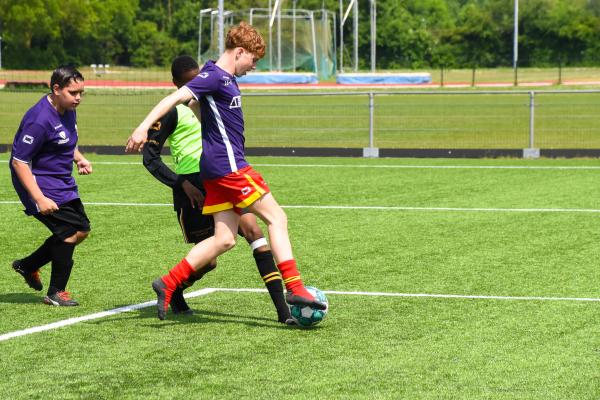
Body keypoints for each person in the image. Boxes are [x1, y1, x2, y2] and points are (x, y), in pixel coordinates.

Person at [126, 22, 325, 320]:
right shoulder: (216, 76)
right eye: (253, 60)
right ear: (240, 51)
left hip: (215, 170)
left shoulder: (220, 76)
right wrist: (143, 127)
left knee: (224, 239)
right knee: (277, 217)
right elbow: (175, 98)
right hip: (229, 167)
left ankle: (167, 283)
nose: (254, 66)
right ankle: (295, 287)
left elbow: (199, 105)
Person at [142, 55, 292, 323]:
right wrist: (181, 183)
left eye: (197, 78)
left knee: (254, 231)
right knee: (210, 259)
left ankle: (284, 312)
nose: (196, 85)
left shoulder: (208, 98)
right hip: (193, 189)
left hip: (221, 177)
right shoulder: (173, 110)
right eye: (189, 82)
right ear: (176, 84)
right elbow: (150, 158)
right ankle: (174, 288)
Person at [10, 65, 92, 306]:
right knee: (68, 233)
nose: (78, 98)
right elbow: (19, 162)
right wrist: (39, 198)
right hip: (40, 184)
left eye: (81, 93)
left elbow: (64, 140)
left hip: (61, 181)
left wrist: (79, 158)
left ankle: (28, 265)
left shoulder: (67, 109)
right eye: (73, 92)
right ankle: (56, 292)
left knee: (81, 231)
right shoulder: (39, 120)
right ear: (56, 89)